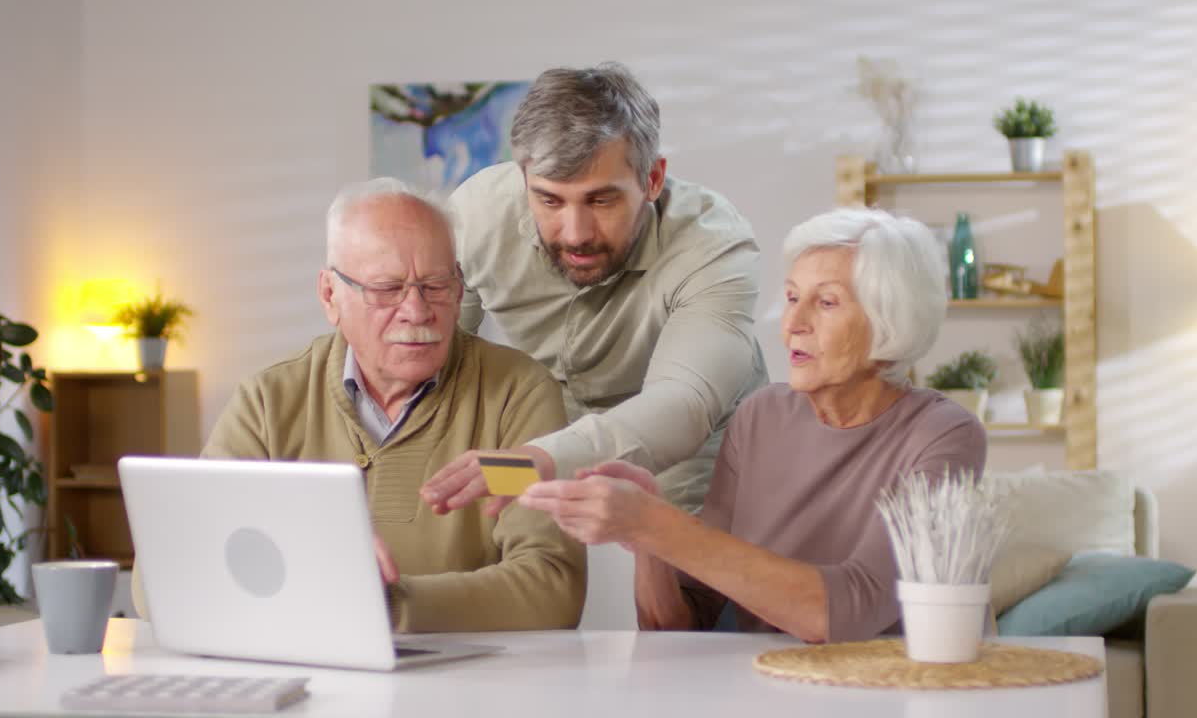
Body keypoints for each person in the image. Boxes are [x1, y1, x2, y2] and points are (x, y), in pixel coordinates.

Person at [134, 178, 586, 632]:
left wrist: (385, 607)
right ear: (330, 295)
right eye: (387, 289)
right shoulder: (269, 405)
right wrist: (324, 582)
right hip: (308, 689)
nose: (417, 310)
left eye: (436, 285)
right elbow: (164, 575)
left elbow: (551, 587)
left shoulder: (516, 396)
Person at [517, 207, 987, 643]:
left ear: (890, 320)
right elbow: (678, 627)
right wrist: (646, 539)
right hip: (763, 690)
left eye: (825, 303)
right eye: (791, 298)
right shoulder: (759, 416)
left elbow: (849, 609)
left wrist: (657, 524)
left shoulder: (945, 435)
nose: (792, 323)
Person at [422, 62, 768, 517]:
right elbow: (433, 355)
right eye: (549, 199)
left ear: (653, 179)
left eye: (601, 200)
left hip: (695, 455)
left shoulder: (712, 245)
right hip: (546, 445)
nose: (575, 234)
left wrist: (540, 461)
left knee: (682, 579)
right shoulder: (476, 216)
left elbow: (684, 404)